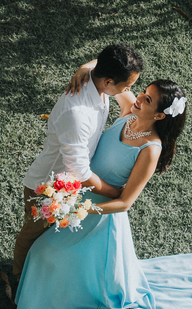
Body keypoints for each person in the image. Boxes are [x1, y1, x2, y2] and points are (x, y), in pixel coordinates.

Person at [12, 79, 192, 309]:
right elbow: (115, 79)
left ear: (160, 117)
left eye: (148, 100)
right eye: (144, 92)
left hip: (99, 214)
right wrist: (84, 70)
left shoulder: (150, 150)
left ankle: (38, 308)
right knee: (41, 248)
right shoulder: (130, 112)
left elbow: (125, 203)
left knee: (44, 252)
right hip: (78, 197)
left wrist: (83, 209)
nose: (139, 98)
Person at [10, 43, 144, 284]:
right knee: (32, 235)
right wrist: (117, 193)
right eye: (127, 86)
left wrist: (85, 66)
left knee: (52, 238)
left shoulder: (97, 81)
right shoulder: (77, 114)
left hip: (69, 183)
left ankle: (40, 274)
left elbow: (97, 63)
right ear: (108, 82)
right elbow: (79, 172)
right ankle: (18, 280)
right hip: (49, 188)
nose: (129, 91)